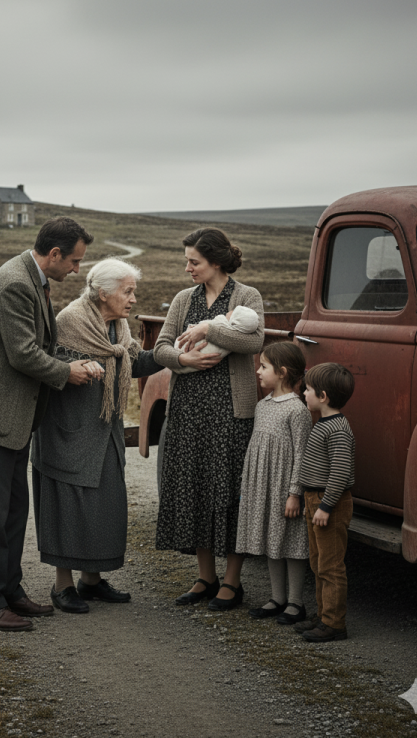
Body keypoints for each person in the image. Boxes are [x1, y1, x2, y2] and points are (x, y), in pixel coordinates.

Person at [0, 216, 103, 632]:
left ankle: (9, 592)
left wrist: (70, 362)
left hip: (13, 418)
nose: (76, 270)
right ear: (54, 254)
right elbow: (23, 354)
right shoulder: (15, 283)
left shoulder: (34, 277)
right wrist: (68, 373)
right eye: (74, 261)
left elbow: (40, 347)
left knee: (14, 511)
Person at [32, 258, 163, 613]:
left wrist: (171, 355)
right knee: (66, 503)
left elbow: (129, 363)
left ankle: (91, 581)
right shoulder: (70, 321)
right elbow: (47, 366)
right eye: (127, 291)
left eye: (133, 290)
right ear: (103, 293)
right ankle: (62, 586)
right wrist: (71, 369)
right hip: (66, 431)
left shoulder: (118, 327)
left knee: (105, 503)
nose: (133, 298)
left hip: (105, 430)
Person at [154, 227, 264, 611]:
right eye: (187, 261)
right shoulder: (184, 299)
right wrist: (184, 360)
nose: (187, 268)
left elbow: (254, 342)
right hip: (187, 410)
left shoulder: (247, 296)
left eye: (194, 261)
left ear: (215, 261)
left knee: (230, 494)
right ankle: (206, 577)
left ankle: (232, 583)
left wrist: (209, 327)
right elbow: (161, 348)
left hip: (230, 414)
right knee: (195, 489)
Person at [236, 342, 313, 625]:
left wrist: (295, 494)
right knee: (271, 539)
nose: (258, 371)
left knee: (291, 543)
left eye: (263, 367)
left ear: (281, 372)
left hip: (284, 490)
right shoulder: (262, 406)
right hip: (262, 488)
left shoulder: (298, 410)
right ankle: (277, 598)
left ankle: (295, 602)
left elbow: (302, 455)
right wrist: (248, 488)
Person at [294, 363, 356, 642]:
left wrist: (326, 506)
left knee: (330, 566)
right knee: (318, 561)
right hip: (313, 499)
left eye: (307, 389)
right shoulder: (323, 422)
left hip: (328, 502)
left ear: (323, 396)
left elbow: (340, 472)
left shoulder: (338, 429)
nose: (302, 393)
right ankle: (322, 616)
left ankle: (334, 624)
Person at [173, 305, 260, 373]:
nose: (230, 311)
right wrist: (183, 359)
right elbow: (161, 348)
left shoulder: (249, 295)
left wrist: (206, 329)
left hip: (227, 391)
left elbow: (256, 344)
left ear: (234, 320)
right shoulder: (183, 297)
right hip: (184, 385)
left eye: (233, 312)